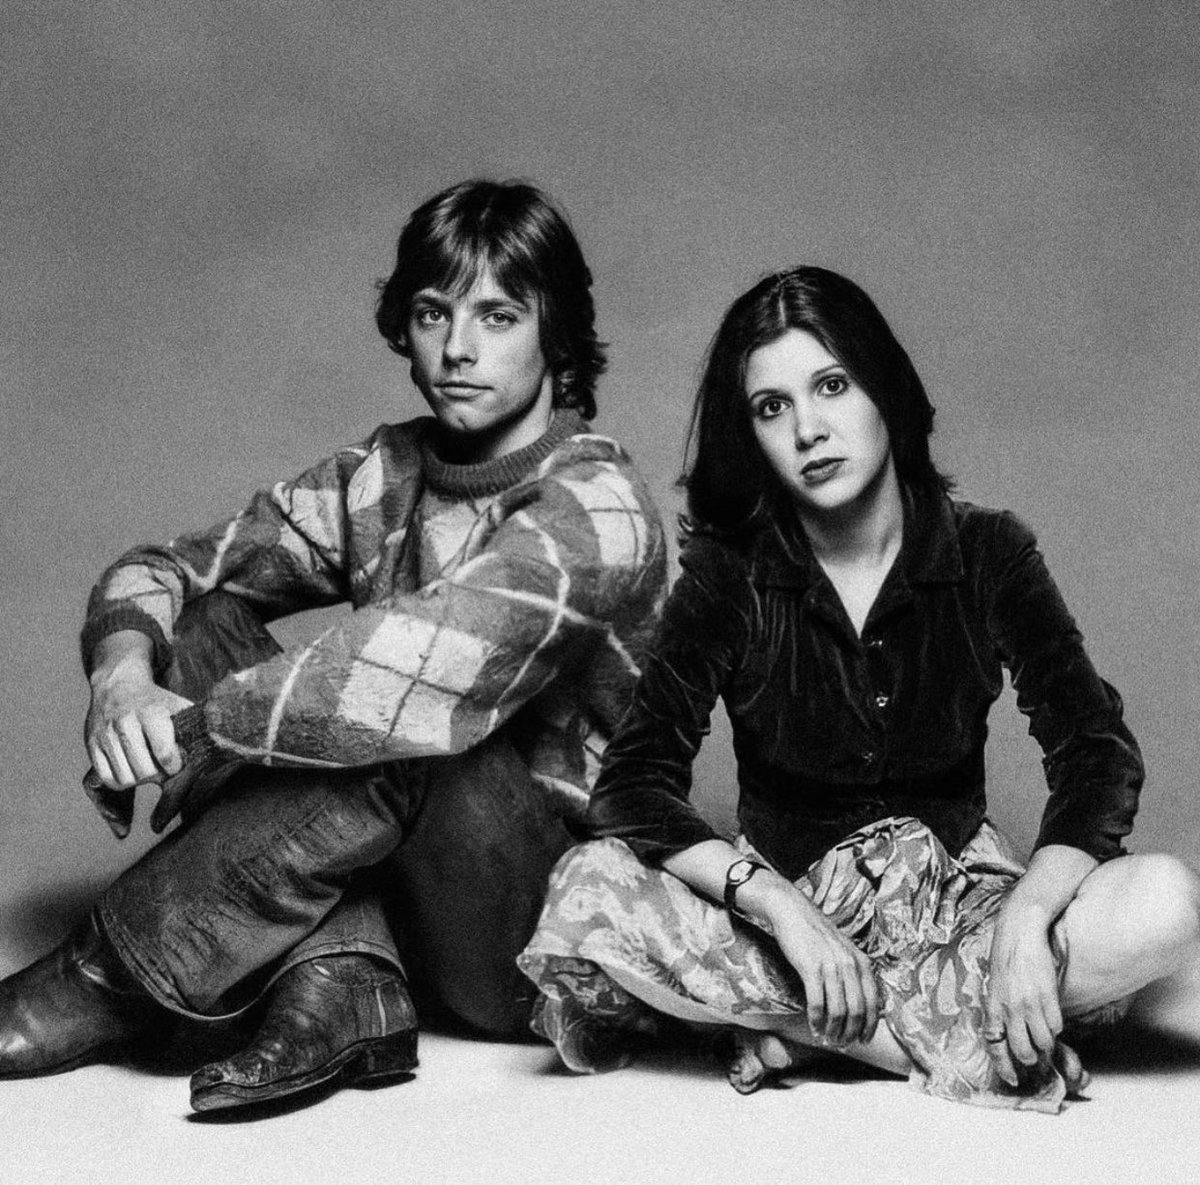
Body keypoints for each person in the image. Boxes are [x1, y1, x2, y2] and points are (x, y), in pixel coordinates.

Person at [0, 179, 667, 1113]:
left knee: (405, 713)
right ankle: (347, 978)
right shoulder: (382, 475)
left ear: (555, 334)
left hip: (538, 930)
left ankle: (107, 972)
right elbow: (167, 567)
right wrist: (121, 680)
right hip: (404, 889)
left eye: (498, 315)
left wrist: (196, 732)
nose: (459, 347)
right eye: (433, 313)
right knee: (194, 621)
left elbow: (423, 673)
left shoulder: (599, 505)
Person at [518, 264, 1200, 1112]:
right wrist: (781, 909)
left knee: (1167, 902)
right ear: (751, 434)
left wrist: (1026, 920)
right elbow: (634, 786)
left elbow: (1096, 756)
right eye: (773, 407)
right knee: (587, 888)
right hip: (792, 924)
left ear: (886, 388)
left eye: (832, 385)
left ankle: (810, 1030)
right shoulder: (729, 575)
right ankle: (942, 1038)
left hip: (963, 908)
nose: (809, 429)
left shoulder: (989, 551)